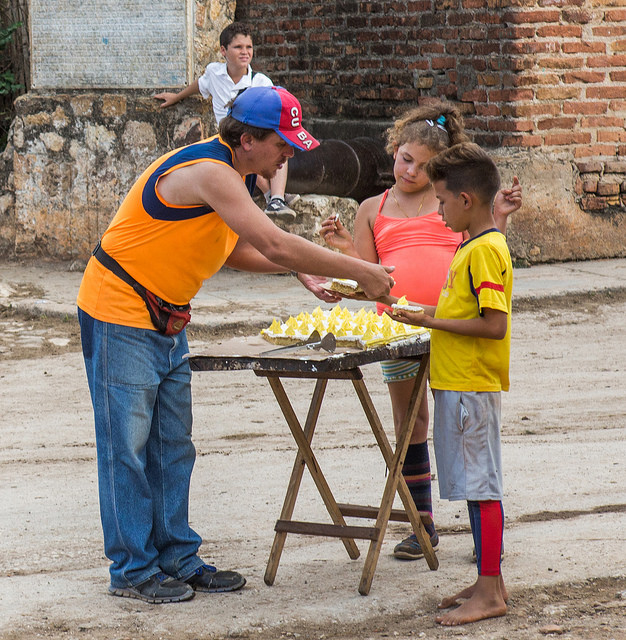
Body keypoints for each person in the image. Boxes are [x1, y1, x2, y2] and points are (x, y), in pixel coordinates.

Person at [77, 85, 395, 604]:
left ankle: (177, 557)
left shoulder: (236, 173)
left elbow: (237, 249)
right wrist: (360, 269)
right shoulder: (211, 172)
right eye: (282, 144)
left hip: (166, 317)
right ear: (246, 139)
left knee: (172, 446)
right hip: (120, 314)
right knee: (128, 450)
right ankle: (133, 569)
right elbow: (271, 240)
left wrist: (302, 272)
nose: (288, 154)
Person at [319, 101, 521, 561]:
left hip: (452, 328)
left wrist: (503, 217)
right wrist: (342, 252)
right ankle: (421, 524)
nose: (412, 171)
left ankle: (485, 538)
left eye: (425, 167)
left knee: (466, 424)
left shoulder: (453, 203)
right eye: (406, 159)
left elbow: (485, 252)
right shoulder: (373, 207)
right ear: (393, 149)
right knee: (411, 422)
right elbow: (369, 273)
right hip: (395, 329)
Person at [386, 141, 512, 626]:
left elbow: (492, 324)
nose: (436, 210)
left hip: (471, 384)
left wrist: (433, 325)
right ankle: (489, 581)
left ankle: (489, 592)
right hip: (458, 381)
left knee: (482, 486)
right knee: (477, 483)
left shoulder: (484, 251)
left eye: (441, 201)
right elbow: (465, 312)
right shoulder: (473, 246)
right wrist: (422, 313)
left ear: (466, 200)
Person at [154, 21, 299, 219]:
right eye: (238, 47)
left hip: (254, 136)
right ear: (223, 50)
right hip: (230, 137)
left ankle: (277, 198)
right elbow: (200, 85)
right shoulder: (214, 72)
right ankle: (271, 196)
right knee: (240, 150)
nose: (245, 52)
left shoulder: (261, 82)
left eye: (249, 47)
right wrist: (177, 96)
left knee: (274, 144)